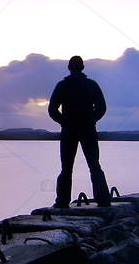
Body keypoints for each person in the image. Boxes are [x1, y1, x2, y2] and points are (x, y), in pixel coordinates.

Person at [47, 55, 111, 208]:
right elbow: (101, 108)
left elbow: (52, 110)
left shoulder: (62, 85)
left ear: (69, 68)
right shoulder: (91, 85)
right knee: (94, 165)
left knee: (66, 167)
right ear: (82, 68)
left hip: (70, 130)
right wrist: (91, 120)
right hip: (87, 129)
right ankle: (103, 199)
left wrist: (64, 122)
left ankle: (62, 201)